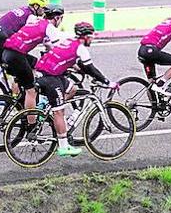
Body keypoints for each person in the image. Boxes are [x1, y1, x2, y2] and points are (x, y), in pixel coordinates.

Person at [33, 22, 116, 158]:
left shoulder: (68, 41)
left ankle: (50, 110)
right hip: (50, 78)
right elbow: (91, 68)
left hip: (47, 73)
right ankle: (64, 146)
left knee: (72, 89)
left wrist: (80, 70)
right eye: (91, 36)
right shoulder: (81, 48)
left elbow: (69, 60)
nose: (93, 39)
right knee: (58, 111)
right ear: (86, 37)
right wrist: (107, 82)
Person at [1, 5, 66, 113]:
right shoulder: (50, 28)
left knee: (35, 66)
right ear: (57, 18)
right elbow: (59, 50)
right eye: (61, 18)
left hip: (7, 53)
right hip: (17, 56)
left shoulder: (36, 21)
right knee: (31, 90)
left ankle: (18, 101)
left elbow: (49, 46)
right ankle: (31, 123)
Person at [0, 0, 49, 65]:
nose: (44, 11)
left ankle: (9, 74)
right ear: (36, 6)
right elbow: (32, 34)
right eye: (43, 8)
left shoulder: (23, 9)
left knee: (12, 62)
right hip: (0, 40)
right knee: (31, 62)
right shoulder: (30, 17)